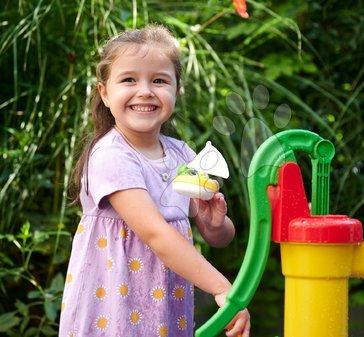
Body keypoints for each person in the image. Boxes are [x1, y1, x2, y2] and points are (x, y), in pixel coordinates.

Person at [60, 24, 250, 337]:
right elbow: (156, 233)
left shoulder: (183, 156)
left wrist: (214, 224)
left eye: (159, 80)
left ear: (176, 89)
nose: (145, 90)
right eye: (129, 80)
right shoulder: (111, 156)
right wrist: (222, 289)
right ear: (104, 93)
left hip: (164, 312)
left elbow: (220, 238)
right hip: (112, 312)